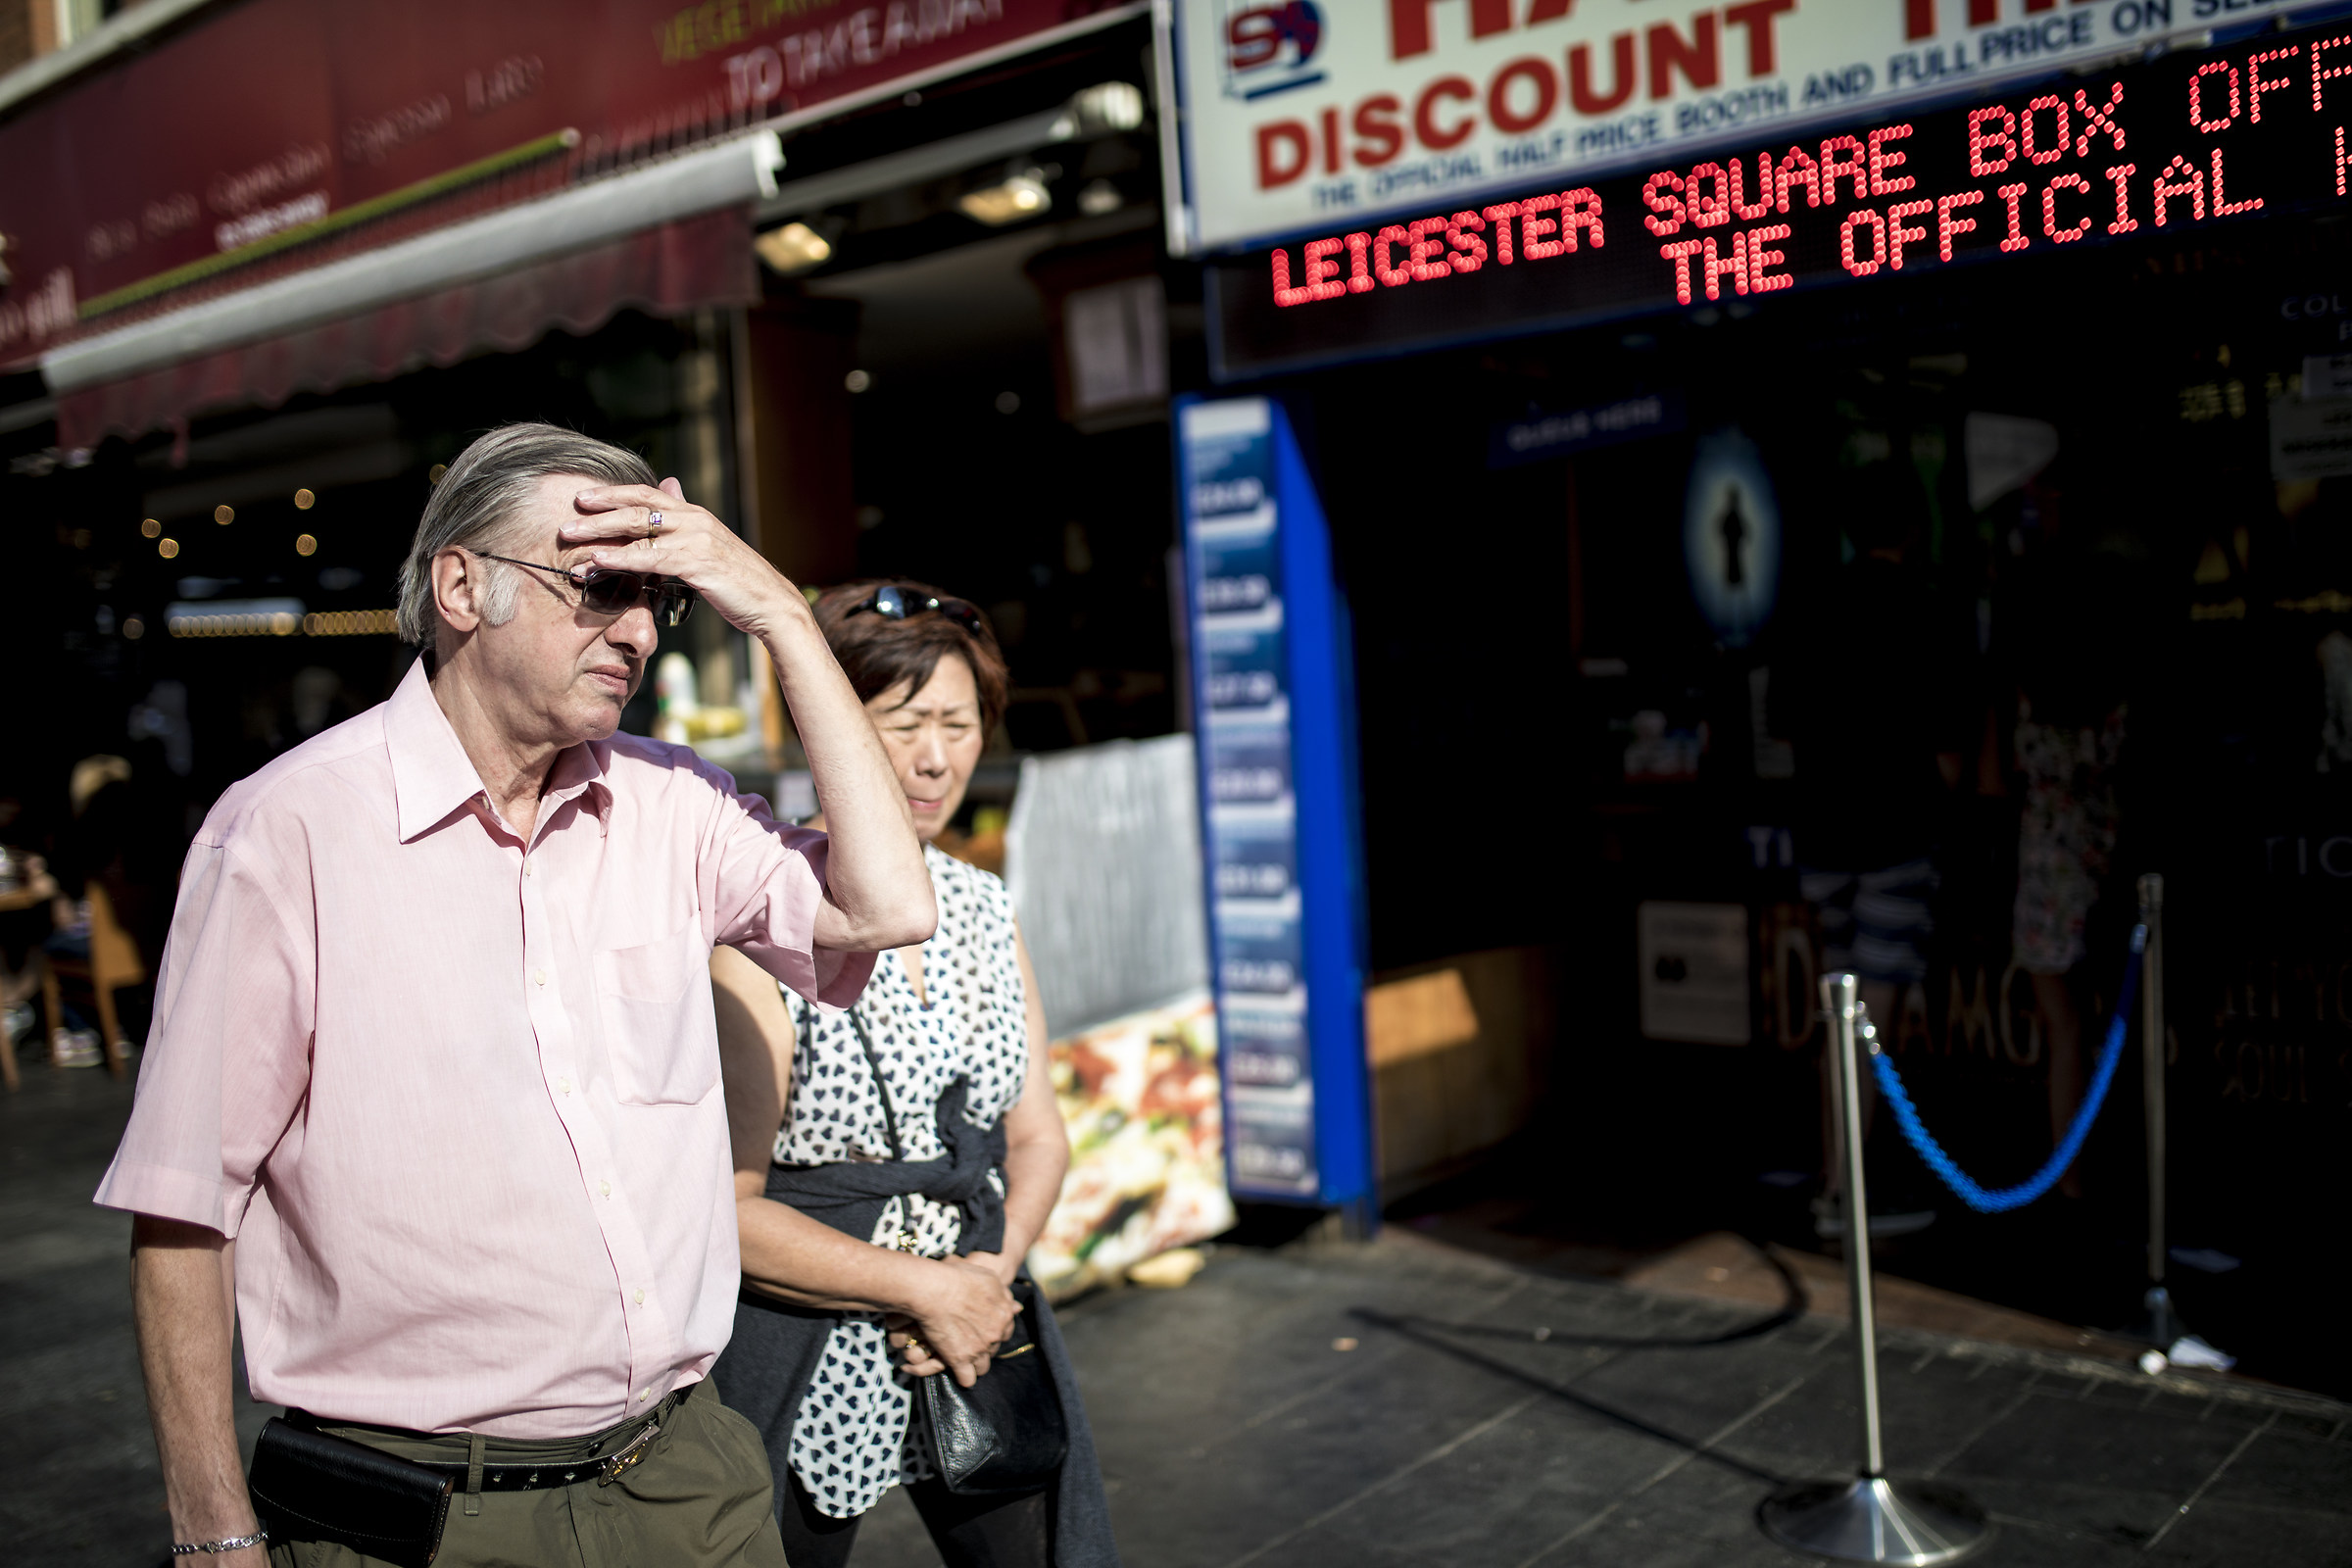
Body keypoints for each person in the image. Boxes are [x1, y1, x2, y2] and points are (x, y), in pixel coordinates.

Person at [95, 424, 936, 1568]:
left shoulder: (669, 802)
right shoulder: (287, 830)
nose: (638, 629)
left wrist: (779, 611)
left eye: (658, 595)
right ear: (460, 587)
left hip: (685, 1478)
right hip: (424, 1514)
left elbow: (887, 907)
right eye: (599, 586)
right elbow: (187, 1206)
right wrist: (213, 1535)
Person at [710, 580, 1117, 1568]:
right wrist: (916, 1289)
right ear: (831, 730)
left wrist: (984, 1275)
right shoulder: (764, 919)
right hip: (804, 1338)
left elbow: (1036, 1133)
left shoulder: (982, 904)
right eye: (903, 724)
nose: (937, 757)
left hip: (972, 1326)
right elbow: (726, 1204)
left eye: (959, 723)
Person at [1781, 463, 1975, 1236]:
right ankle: (1846, 1193)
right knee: (1872, 1019)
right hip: (1897, 837)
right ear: (1912, 528)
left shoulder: (1809, 608)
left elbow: (1786, 725)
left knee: (1842, 1014)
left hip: (1823, 835)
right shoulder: (1928, 613)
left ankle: (1837, 1177)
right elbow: (1952, 758)